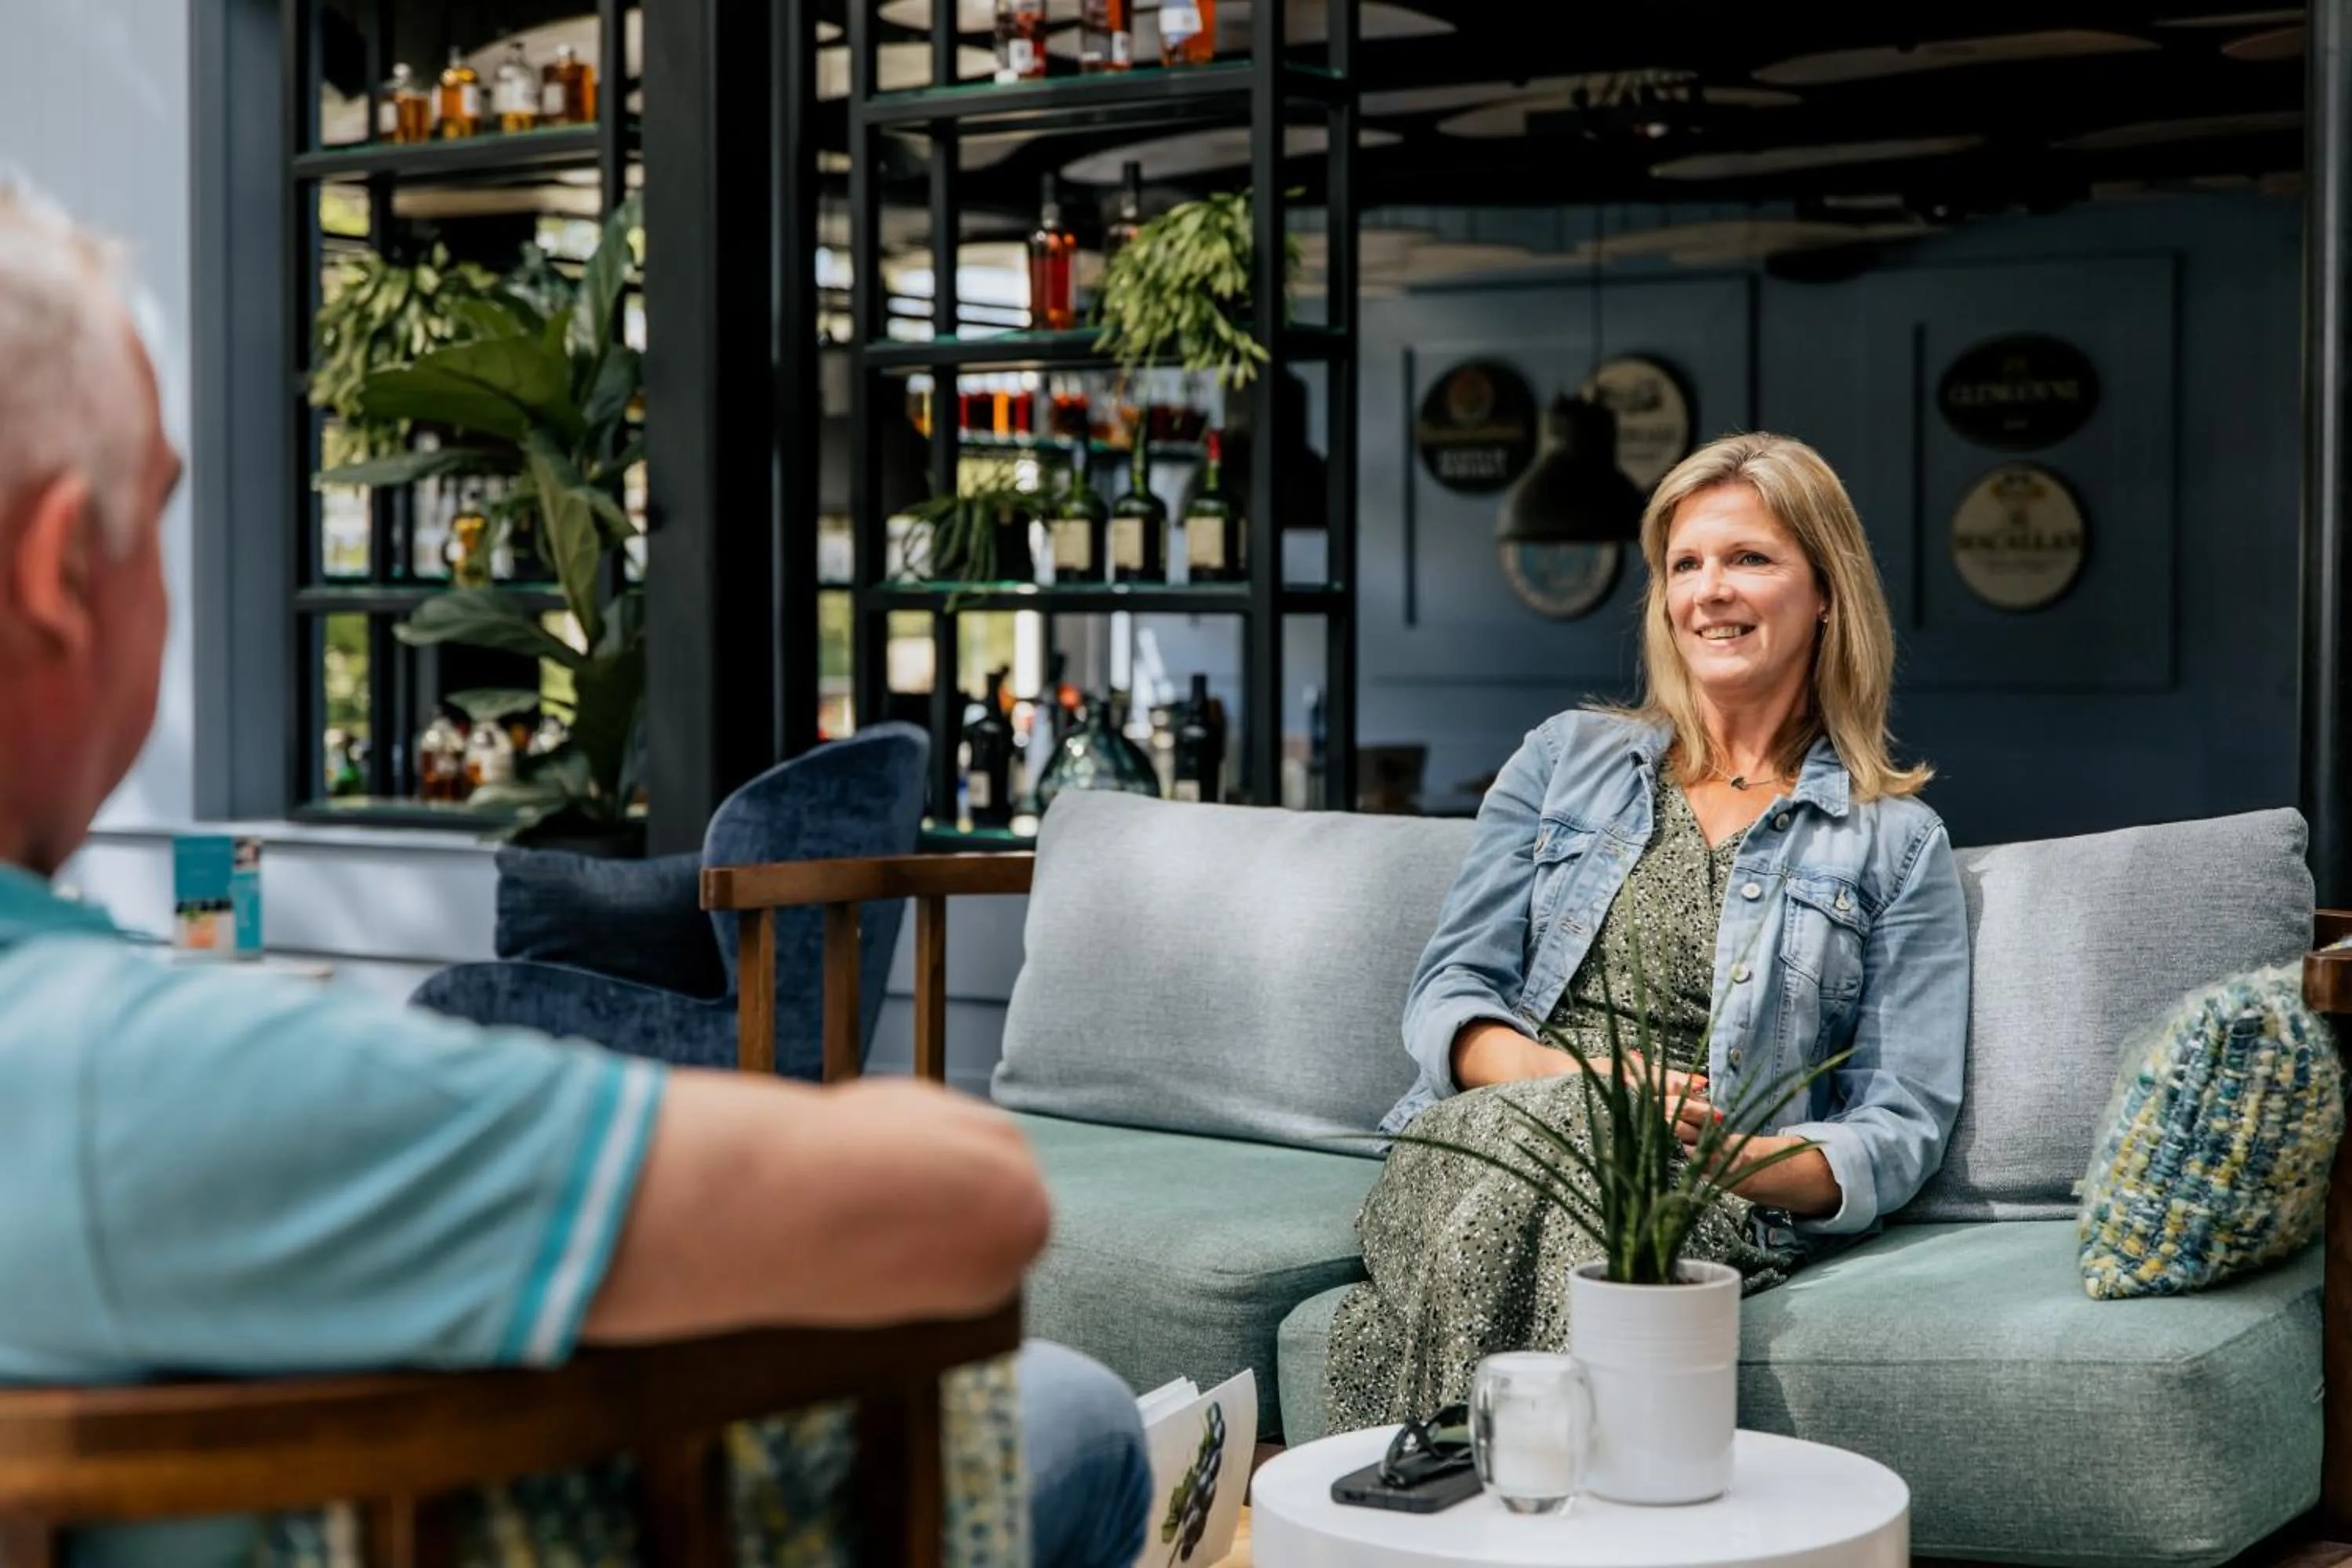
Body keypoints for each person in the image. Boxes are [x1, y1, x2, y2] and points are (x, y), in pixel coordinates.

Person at [0, 185, 1151, 1565]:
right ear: (62, 569)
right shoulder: (117, 1080)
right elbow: (978, 1200)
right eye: (163, 520)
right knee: (1076, 1414)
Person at [1323, 431, 1971, 1432]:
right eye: (1686, 564)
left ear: (1827, 591)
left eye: (1750, 558)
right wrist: (1599, 1093)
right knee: (1585, 1143)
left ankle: (1432, 1479)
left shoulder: (1894, 842)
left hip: (1700, 1184)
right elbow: (1451, 999)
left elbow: (1902, 1122)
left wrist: (1741, 1158)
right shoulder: (1563, 759)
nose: (1710, 588)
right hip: (1484, 1136)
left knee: (1602, 1184)